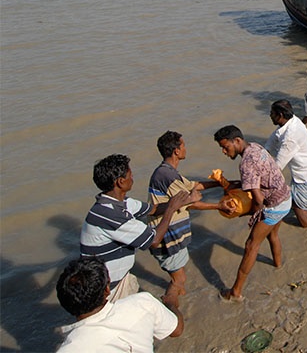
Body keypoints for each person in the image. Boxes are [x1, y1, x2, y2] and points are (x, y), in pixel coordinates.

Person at [80, 154, 194, 302]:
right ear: (121, 182)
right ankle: (170, 303)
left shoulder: (119, 203)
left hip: (117, 278)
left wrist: (181, 201)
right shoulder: (111, 215)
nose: (133, 178)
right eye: (130, 175)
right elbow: (153, 240)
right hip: (107, 288)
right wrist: (171, 209)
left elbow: (153, 209)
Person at [213, 125, 292, 301]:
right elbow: (261, 177)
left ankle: (235, 292)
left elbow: (257, 199)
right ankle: (278, 266)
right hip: (285, 197)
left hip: (273, 206)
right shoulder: (255, 147)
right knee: (273, 235)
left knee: (251, 245)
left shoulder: (246, 163)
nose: (224, 152)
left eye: (226, 147)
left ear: (237, 141)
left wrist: (251, 214)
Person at [148, 131, 223, 302]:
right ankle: (170, 309)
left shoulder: (169, 172)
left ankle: (182, 302)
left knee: (179, 277)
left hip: (171, 235)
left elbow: (194, 186)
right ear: (176, 151)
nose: (185, 148)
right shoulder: (165, 176)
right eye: (183, 145)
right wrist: (219, 205)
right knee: (178, 279)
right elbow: (190, 202)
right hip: (167, 237)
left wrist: (221, 183)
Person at [56, 256, 183, 352]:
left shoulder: (69, 349)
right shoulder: (142, 304)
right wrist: (170, 303)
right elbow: (177, 329)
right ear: (107, 290)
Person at [265, 100, 307, 229]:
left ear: (280, 115)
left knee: (297, 205)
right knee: (294, 200)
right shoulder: (292, 120)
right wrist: (261, 153)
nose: (270, 115)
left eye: (272, 113)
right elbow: (273, 139)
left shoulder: (291, 138)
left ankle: (305, 227)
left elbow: (277, 168)